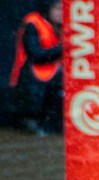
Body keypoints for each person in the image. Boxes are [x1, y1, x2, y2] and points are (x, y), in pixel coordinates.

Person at [9, 0, 62, 135]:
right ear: (48, 9)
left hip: (53, 77)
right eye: (57, 9)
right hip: (30, 80)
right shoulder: (33, 23)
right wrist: (64, 48)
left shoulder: (67, 25)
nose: (60, 13)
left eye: (63, 9)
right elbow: (35, 55)